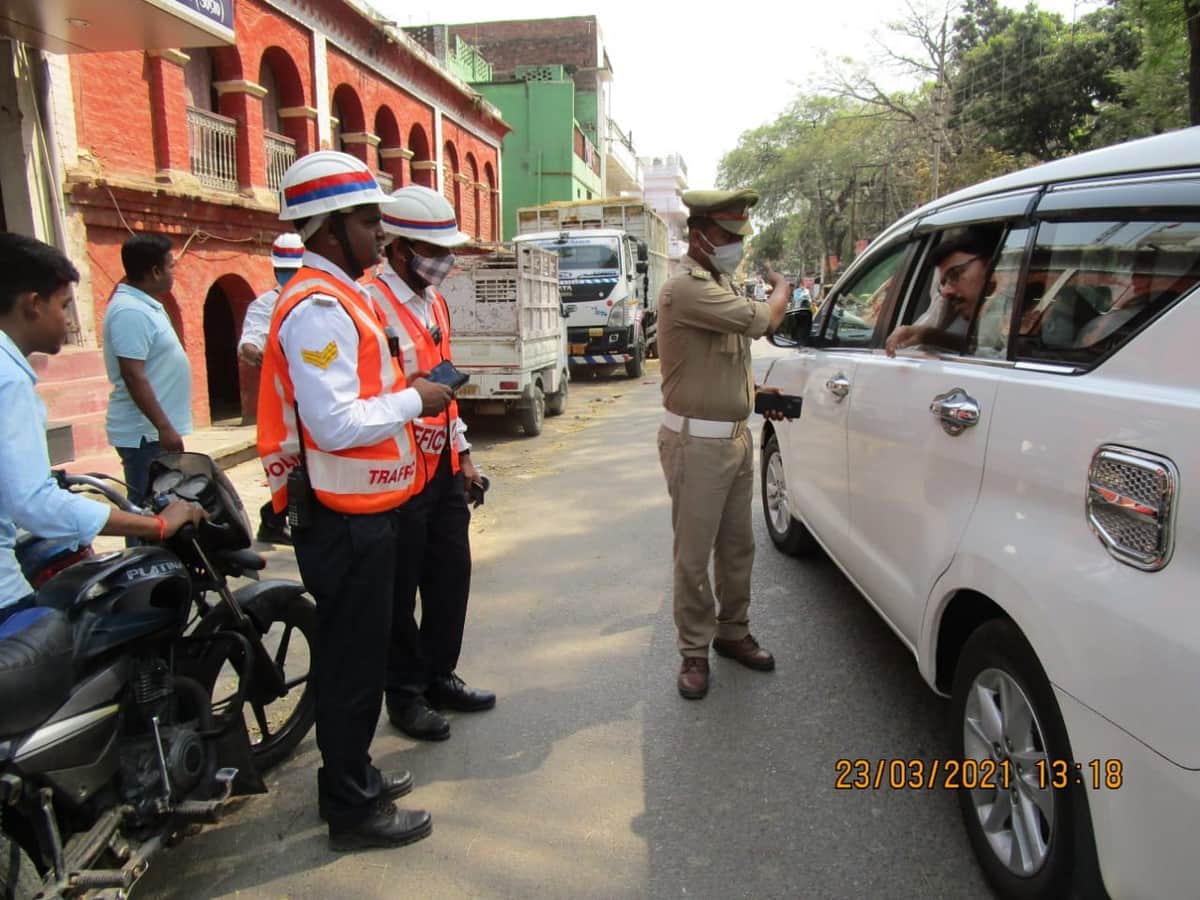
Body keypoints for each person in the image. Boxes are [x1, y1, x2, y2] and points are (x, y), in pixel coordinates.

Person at [256, 151, 453, 851]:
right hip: (343, 521)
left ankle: (352, 773)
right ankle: (353, 808)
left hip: (362, 512)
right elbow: (335, 423)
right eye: (370, 221)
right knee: (350, 666)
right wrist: (416, 399)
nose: (380, 233)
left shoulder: (343, 295)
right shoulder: (316, 307)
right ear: (332, 227)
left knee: (358, 659)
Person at [0, 232, 203, 627]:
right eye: (64, 306)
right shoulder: (8, 379)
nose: (71, 320)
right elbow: (34, 504)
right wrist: (157, 524)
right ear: (32, 305)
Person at [367, 185, 495, 743]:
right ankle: (407, 693)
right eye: (430, 249)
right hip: (395, 472)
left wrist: (463, 454)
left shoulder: (435, 301)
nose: (442, 261)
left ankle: (441, 675)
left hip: (441, 465)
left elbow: (446, 378)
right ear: (397, 248)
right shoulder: (369, 301)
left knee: (450, 578)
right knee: (401, 590)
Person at [656, 189, 793, 700]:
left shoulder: (719, 283)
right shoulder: (686, 290)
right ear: (700, 236)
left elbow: (721, 366)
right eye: (728, 236)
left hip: (734, 441)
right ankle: (694, 650)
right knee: (694, 556)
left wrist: (756, 395)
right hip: (695, 446)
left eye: (739, 237)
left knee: (738, 548)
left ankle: (732, 633)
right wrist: (782, 287)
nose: (736, 245)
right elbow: (763, 320)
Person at [102, 233, 191, 503]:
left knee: (161, 508)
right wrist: (164, 427)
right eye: (170, 265)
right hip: (145, 435)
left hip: (155, 432)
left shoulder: (146, 304)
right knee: (147, 512)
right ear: (154, 271)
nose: (174, 271)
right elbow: (132, 373)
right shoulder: (129, 311)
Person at [238, 232, 305, 545]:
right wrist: (262, 354)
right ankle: (275, 519)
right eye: (284, 269)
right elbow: (248, 343)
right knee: (288, 464)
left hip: (309, 394)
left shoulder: (313, 298)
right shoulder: (266, 305)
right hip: (281, 400)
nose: (288, 276)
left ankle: (285, 518)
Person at [885, 227, 999, 357]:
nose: (945, 292)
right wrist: (925, 335)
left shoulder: (1017, 316)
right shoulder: (980, 324)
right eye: (943, 283)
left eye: (955, 274)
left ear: (992, 267)